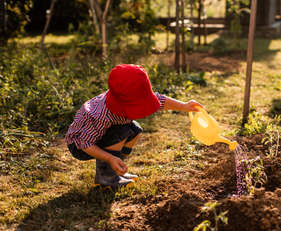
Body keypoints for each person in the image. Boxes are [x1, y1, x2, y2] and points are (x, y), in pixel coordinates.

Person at [65, 64, 203, 188]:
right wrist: (109, 158)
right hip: (81, 145)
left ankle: (117, 170)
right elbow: (84, 142)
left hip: (95, 138)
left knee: (134, 129)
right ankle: (106, 177)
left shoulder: (125, 96)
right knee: (123, 131)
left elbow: (159, 100)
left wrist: (184, 106)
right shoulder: (101, 115)